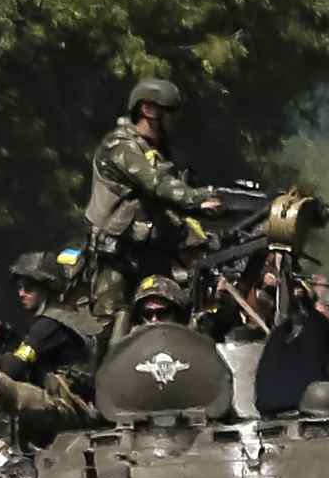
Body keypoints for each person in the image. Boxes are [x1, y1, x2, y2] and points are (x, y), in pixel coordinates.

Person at [82, 74, 250, 316]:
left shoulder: (164, 152)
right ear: (148, 109)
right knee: (109, 324)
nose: (175, 120)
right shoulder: (120, 145)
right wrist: (199, 198)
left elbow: (180, 194)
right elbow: (158, 185)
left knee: (173, 316)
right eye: (170, 112)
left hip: (154, 255)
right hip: (117, 258)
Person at [0, 252, 99, 443]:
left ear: (46, 289)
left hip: (70, 406)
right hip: (62, 403)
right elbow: (36, 359)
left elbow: (15, 367)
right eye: (19, 288)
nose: (21, 293)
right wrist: (10, 340)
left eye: (28, 288)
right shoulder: (58, 319)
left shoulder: (51, 323)